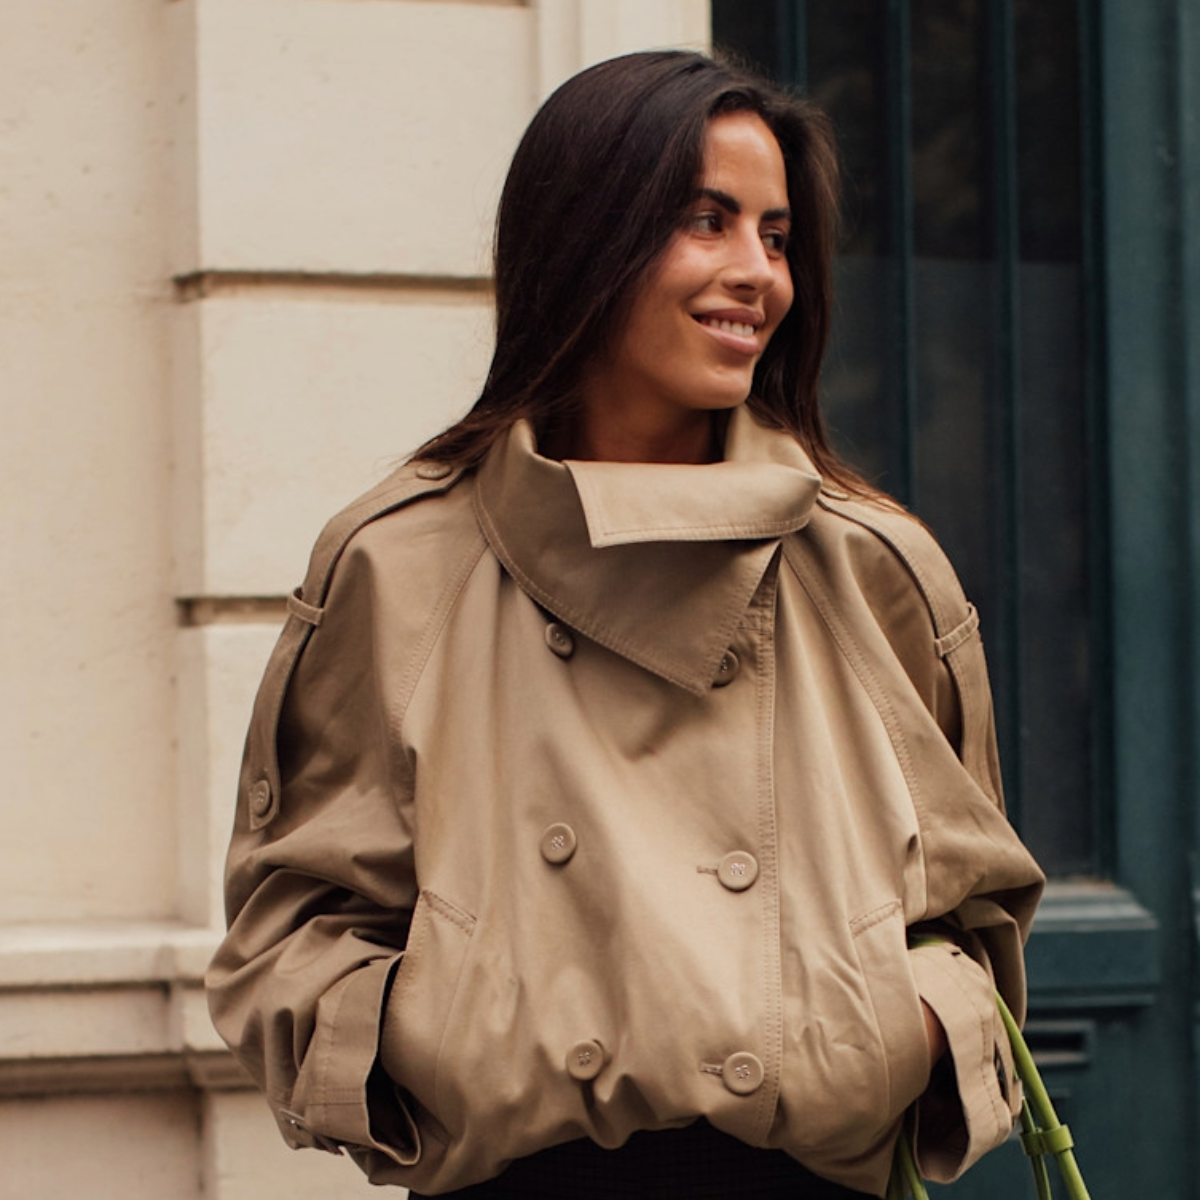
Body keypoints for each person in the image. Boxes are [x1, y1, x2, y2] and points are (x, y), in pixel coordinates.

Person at [206, 50, 1044, 1200]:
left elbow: (974, 903)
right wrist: (458, 1039)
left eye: (777, 235)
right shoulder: (400, 563)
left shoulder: (872, 563)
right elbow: (294, 920)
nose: (758, 273)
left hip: (805, 1182)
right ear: (583, 239)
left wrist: (885, 1034)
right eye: (708, 221)